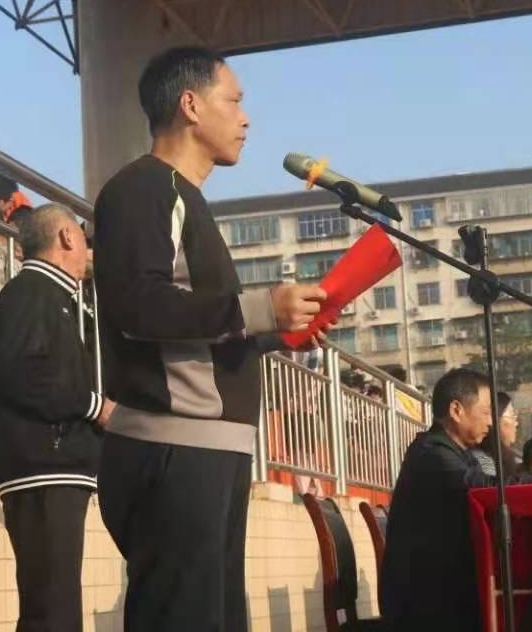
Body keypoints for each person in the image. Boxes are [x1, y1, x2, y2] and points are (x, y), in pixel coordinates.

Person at [92, 46, 327, 632]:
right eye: (235, 100)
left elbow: (194, 329)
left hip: (206, 450)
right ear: (191, 105)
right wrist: (258, 308)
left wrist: (278, 332)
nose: (246, 118)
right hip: (173, 450)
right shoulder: (143, 189)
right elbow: (138, 305)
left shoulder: (183, 196)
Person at [0, 204, 115, 631]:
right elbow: (26, 376)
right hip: (43, 466)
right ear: (66, 237)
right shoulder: (31, 292)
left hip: (52, 465)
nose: (88, 250)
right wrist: (96, 406)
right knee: (51, 610)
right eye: (83, 237)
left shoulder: (50, 296)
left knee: (55, 605)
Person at [380, 368, 496, 632]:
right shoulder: (431, 454)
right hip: (426, 603)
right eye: (486, 412)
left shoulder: (461, 453)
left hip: (443, 590)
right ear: (456, 410)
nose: (491, 422)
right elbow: (483, 488)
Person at [470, 391, 521, 478]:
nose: (516, 423)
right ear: (494, 421)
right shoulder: (483, 460)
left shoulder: (516, 455)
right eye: (512, 415)